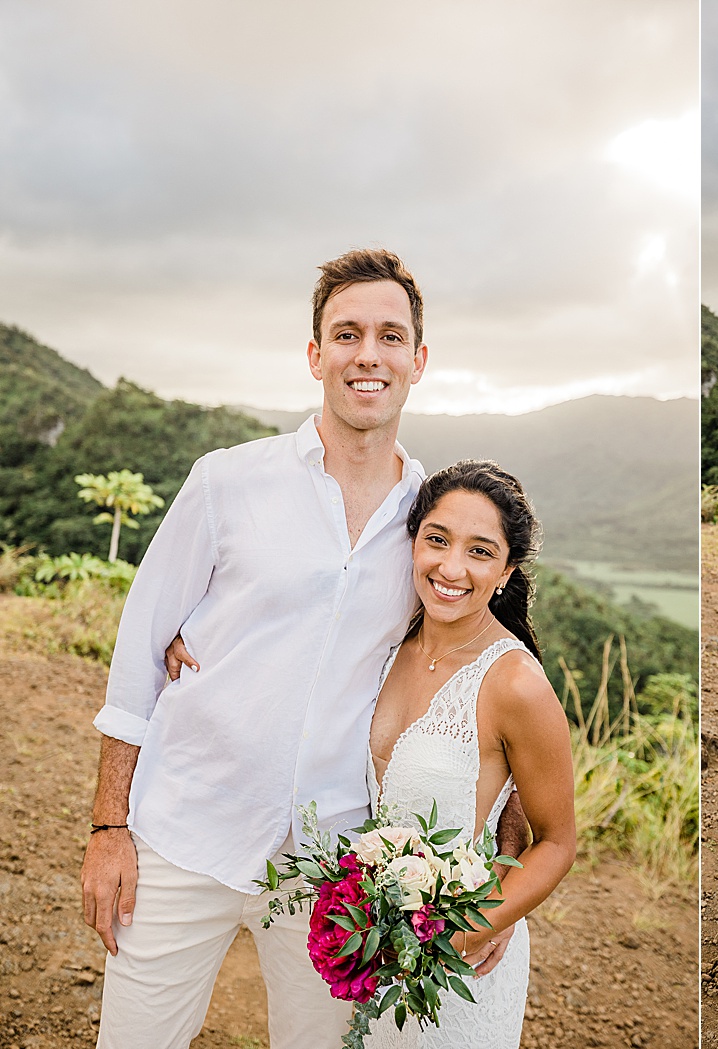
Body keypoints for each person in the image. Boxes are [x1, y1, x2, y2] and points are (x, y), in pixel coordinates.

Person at [81, 249, 521, 1049]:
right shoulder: (225, 482)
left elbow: (486, 666)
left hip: (333, 866)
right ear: (316, 354)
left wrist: (506, 862)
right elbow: (138, 651)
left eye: (390, 336)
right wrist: (110, 828)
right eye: (346, 333)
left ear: (417, 361)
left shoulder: (430, 528)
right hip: (185, 830)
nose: (368, 353)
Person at [364, 459, 576, 1048]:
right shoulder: (386, 642)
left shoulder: (516, 685)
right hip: (372, 949)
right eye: (437, 540)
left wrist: (468, 931)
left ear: (506, 571)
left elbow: (557, 842)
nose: (450, 567)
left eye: (480, 552)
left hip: (457, 968)